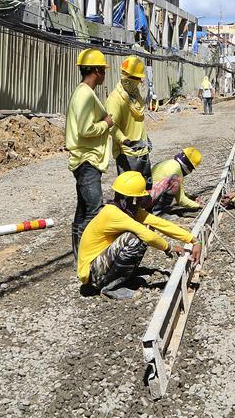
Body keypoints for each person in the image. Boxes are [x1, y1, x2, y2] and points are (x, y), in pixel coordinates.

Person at [77, 171, 202, 299]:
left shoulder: (126, 210)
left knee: (142, 232)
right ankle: (111, 287)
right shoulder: (113, 213)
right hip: (91, 273)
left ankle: (123, 278)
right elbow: (148, 235)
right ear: (134, 199)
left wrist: (193, 240)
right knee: (135, 238)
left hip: (99, 264)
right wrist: (169, 247)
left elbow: (160, 223)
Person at [66, 48, 114, 260]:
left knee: (83, 211)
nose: (104, 74)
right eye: (103, 70)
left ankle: (79, 257)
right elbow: (86, 130)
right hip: (87, 160)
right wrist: (106, 123)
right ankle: (90, 259)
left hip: (85, 160)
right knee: (94, 213)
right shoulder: (85, 95)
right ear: (96, 70)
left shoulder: (83, 92)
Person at [107, 56, 152, 188]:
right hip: (127, 154)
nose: (139, 82)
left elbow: (139, 121)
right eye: (137, 79)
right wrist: (126, 141)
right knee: (129, 191)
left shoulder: (136, 96)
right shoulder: (115, 100)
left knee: (145, 189)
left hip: (142, 150)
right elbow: (111, 126)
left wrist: (145, 139)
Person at [150, 147, 204, 214]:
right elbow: (181, 200)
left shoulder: (170, 162)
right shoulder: (177, 172)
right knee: (175, 182)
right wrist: (198, 206)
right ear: (189, 166)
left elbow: (179, 192)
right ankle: (158, 212)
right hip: (149, 199)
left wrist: (190, 197)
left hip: (146, 195)